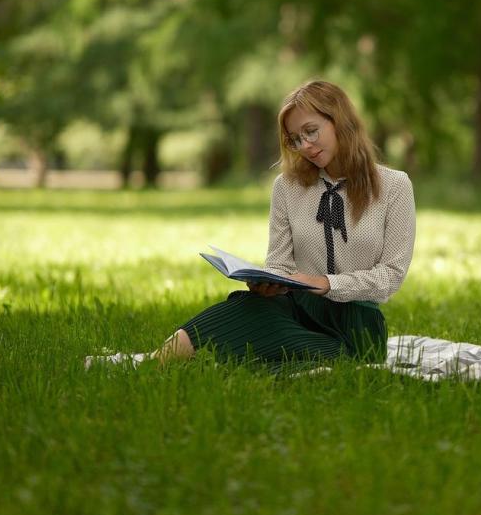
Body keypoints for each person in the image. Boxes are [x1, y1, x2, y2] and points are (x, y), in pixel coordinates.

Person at [85, 79, 417, 374]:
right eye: (295, 139)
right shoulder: (287, 187)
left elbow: (391, 276)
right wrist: (269, 284)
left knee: (301, 351)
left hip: (356, 326)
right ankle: (151, 362)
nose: (305, 146)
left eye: (311, 132)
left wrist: (327, 284)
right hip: (296, 309)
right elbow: (280, 265)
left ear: (339, 121)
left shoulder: (393, 186)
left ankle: (185, 358)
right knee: (245, 306)